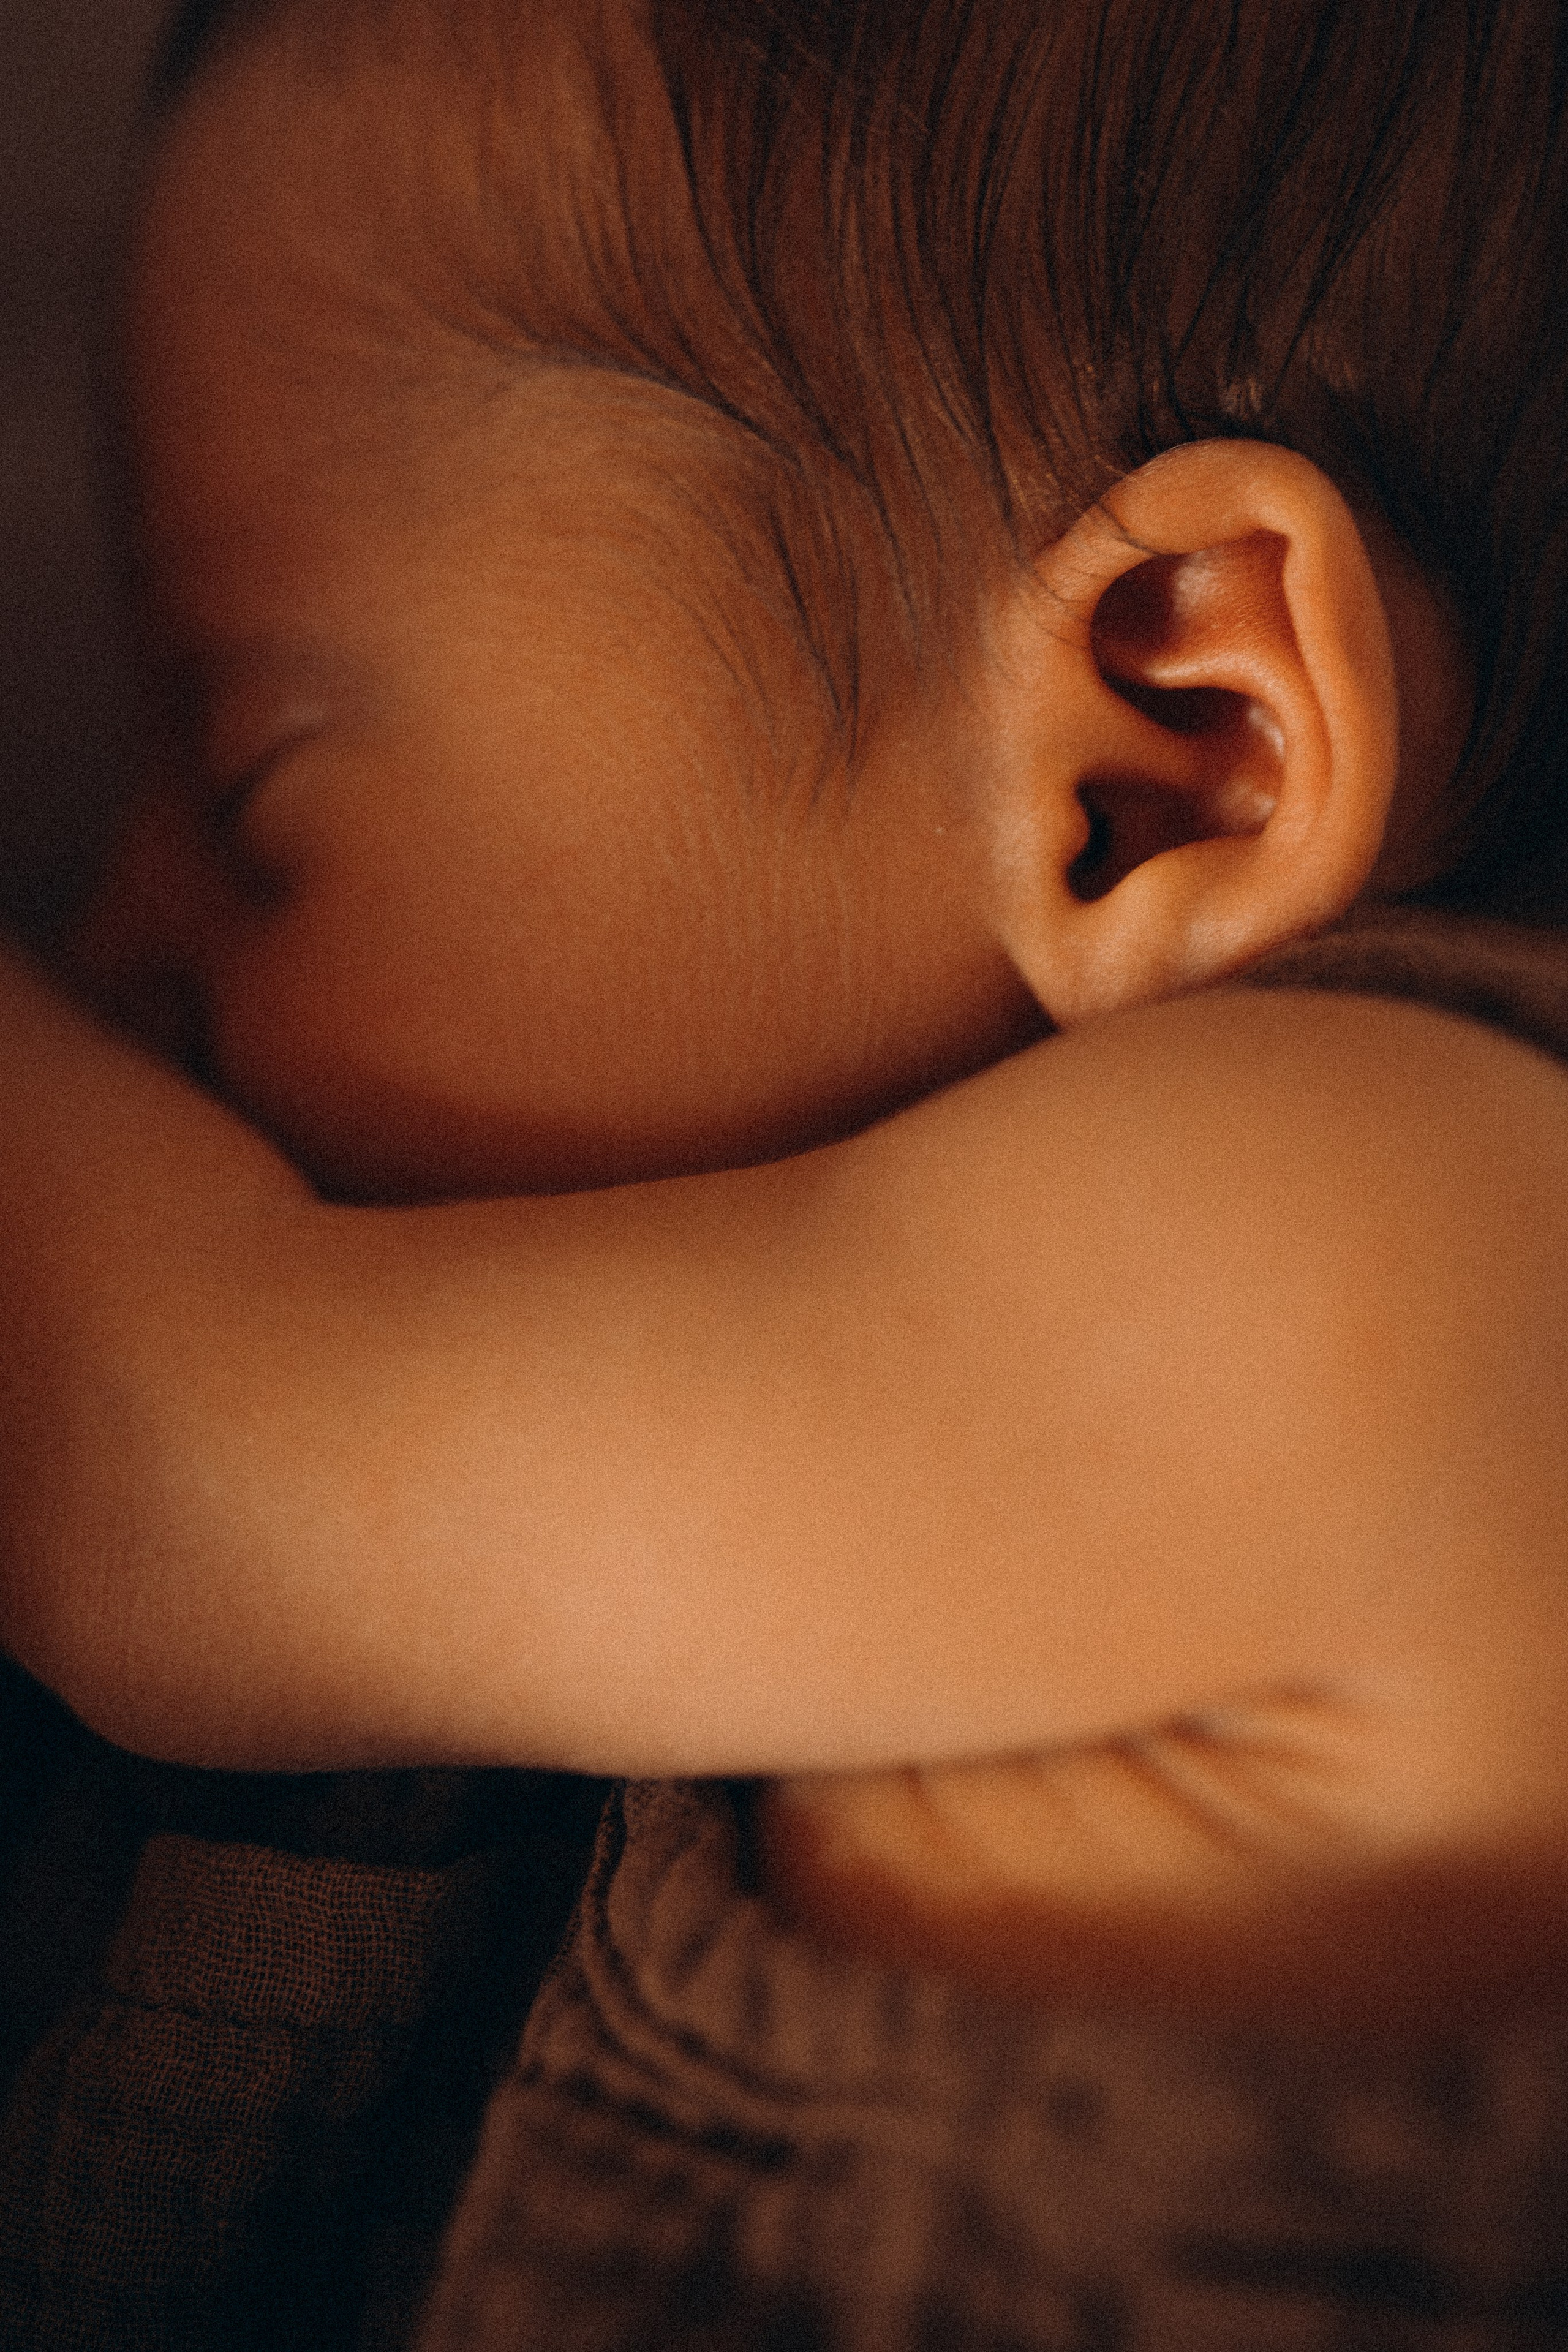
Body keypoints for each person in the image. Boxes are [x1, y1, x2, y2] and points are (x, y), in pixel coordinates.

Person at [4, 0, 1568, 2339]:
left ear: (1165, 760)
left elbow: (144, 1445)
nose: (117, 948)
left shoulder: (1409, 1258)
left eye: (252, 781)